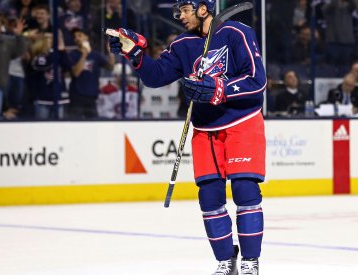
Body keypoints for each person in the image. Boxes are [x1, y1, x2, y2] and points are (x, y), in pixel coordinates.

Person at [109, 0, 266, 274]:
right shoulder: (182, 43)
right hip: (205, 128)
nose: (180, 16)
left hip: (242, 122)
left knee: (245, 191)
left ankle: (250, 262)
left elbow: (257, 80)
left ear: (203, 8)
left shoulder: (237, 33)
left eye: (184, 10)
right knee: (209, 197)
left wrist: (219, 88)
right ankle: (225, 261)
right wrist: (136, 55)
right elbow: (156, 77)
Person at [68, 28, 113, 119]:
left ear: (86, 37)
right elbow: (76, 73)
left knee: (92, 125)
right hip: (76, 96)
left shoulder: (95, 55)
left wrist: (111, 53)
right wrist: (84, 54)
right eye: (75, 36)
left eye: (79, 35)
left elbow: (110, 67)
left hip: (92, 95)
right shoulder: (72, 55)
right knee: (75, 126)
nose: (76, 38)